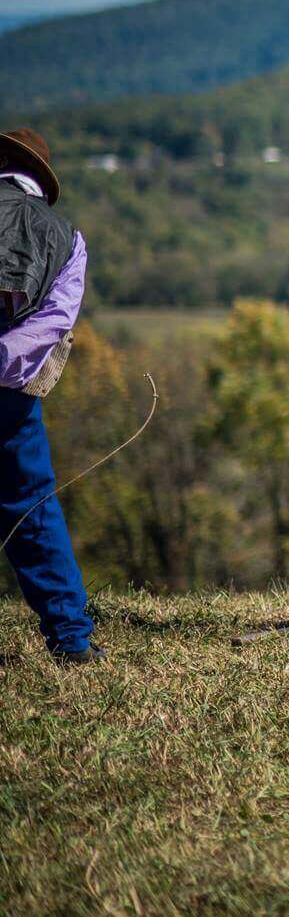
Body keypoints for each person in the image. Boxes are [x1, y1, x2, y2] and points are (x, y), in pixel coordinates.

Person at [0, 127, 101, 663]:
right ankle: (71, 639)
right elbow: (52, 324)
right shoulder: (66, 238)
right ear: (41, 179)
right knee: (31, 506)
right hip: (8, 394)